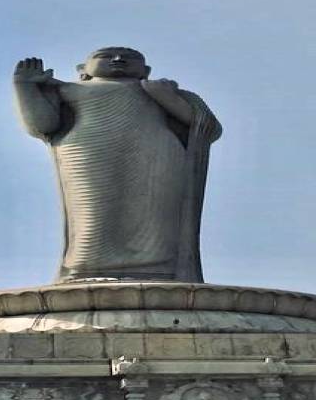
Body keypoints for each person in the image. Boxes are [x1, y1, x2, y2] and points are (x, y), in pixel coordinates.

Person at [14, 47, 221, 283]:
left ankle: (158, 269)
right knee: (93, 211)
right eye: (105, 56)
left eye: (130, 57)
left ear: (146, 70)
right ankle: (87, 269)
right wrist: (25, 87)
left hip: (155, 155)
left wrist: (166, 97)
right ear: (83, 70)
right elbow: (42, 125)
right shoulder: (67, 89)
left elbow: (208, 128)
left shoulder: (163, 91)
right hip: (88, 153)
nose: (118, 59)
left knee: (154, 212)